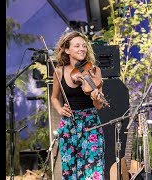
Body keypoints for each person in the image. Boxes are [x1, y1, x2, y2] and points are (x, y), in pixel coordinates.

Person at [50, 31, 106, 180]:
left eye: (84, 46)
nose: (82, 49)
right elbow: (54, 98)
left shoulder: (94, 70)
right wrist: (60, 109)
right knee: (70, 172)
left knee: (93, 170)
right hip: (69, 126)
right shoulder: (59, 71)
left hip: (91, 124)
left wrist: (96, 97)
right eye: (77, 46)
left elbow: (99, 106)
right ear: (67, 50)